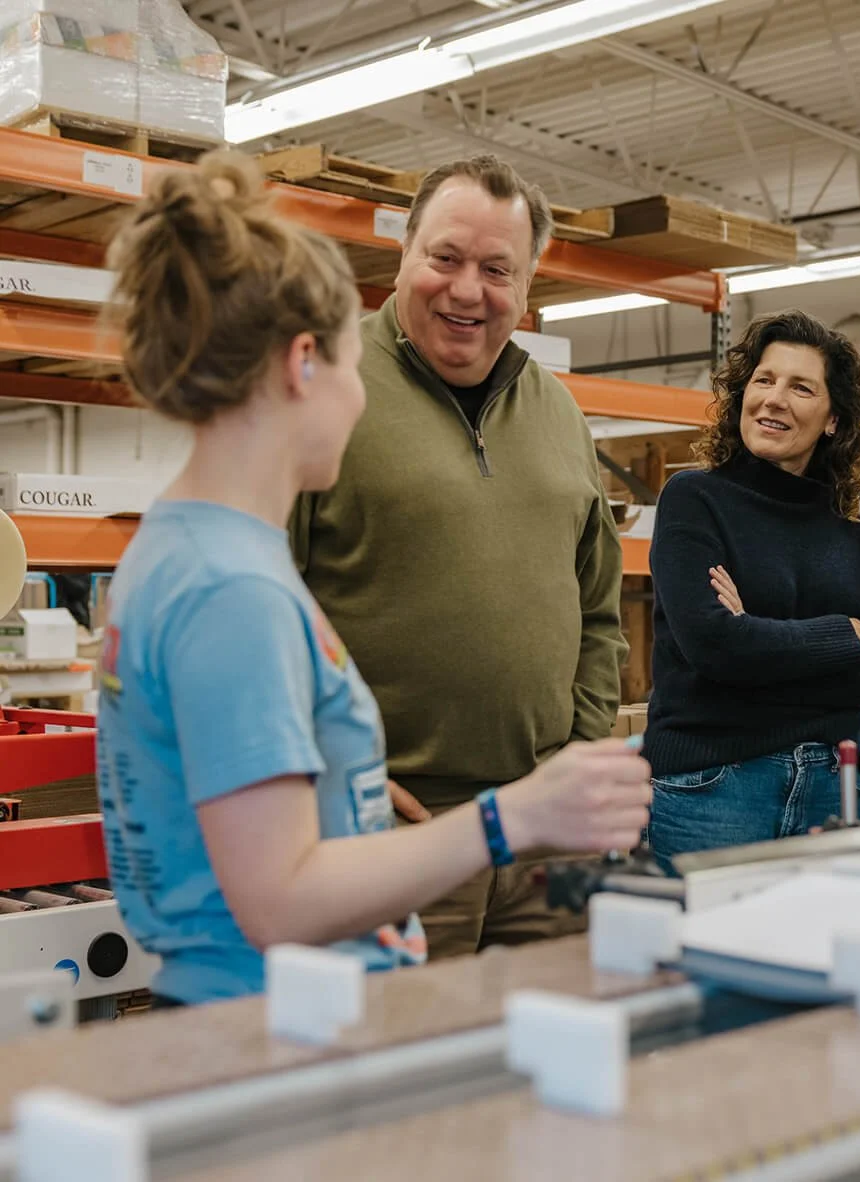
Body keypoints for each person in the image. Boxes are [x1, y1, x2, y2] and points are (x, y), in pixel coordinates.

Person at [95, 152, 650, 1006]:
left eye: (497, 268)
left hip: (289, 997)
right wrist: (512, 820)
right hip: (269, 1023)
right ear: (302, 366)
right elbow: (279, 898)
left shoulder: (196, 557)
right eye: (358, 367)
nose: (364, 398)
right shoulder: (228, 591)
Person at [289, 156, 627, 957]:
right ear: (405, 253)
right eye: (445, 258)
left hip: (545, 830)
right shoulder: (328, 387)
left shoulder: (556, 411)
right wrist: (332, 775)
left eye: (496, 269)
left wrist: (574, 749)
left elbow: (600, 606)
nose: (468, 290)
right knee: (402, 1064)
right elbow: (265, 600)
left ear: (527, 285)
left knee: (550, 1056)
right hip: (394, 830)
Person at [644, 310, 860, 875]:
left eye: (800, 387)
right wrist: (843, 636)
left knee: (825, 956)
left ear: (834, 419)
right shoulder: (695, 499)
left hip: (831, 782)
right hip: (713, 786)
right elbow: (714, 647)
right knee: (705, 958)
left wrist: (755, 636)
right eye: (763, 381)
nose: (773, 399)